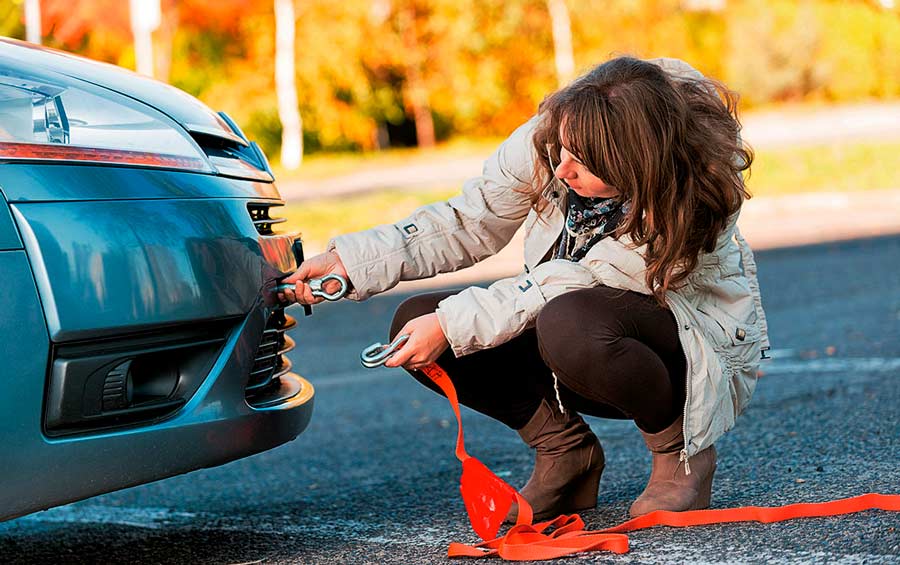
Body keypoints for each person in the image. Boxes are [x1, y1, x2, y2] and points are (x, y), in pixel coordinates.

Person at [279, 56, 770, 521]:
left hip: (680, 349)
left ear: (637, 162)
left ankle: (680, 454)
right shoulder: (557, 134)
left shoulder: (697, 188)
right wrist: (351, 262)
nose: (562, 170)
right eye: (563, 151)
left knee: (570, 321)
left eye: (584, 162)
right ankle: (565, 453)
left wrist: (451, 324)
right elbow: (470, 220)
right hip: (573, 323)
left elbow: (587, 277)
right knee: (415, 319)